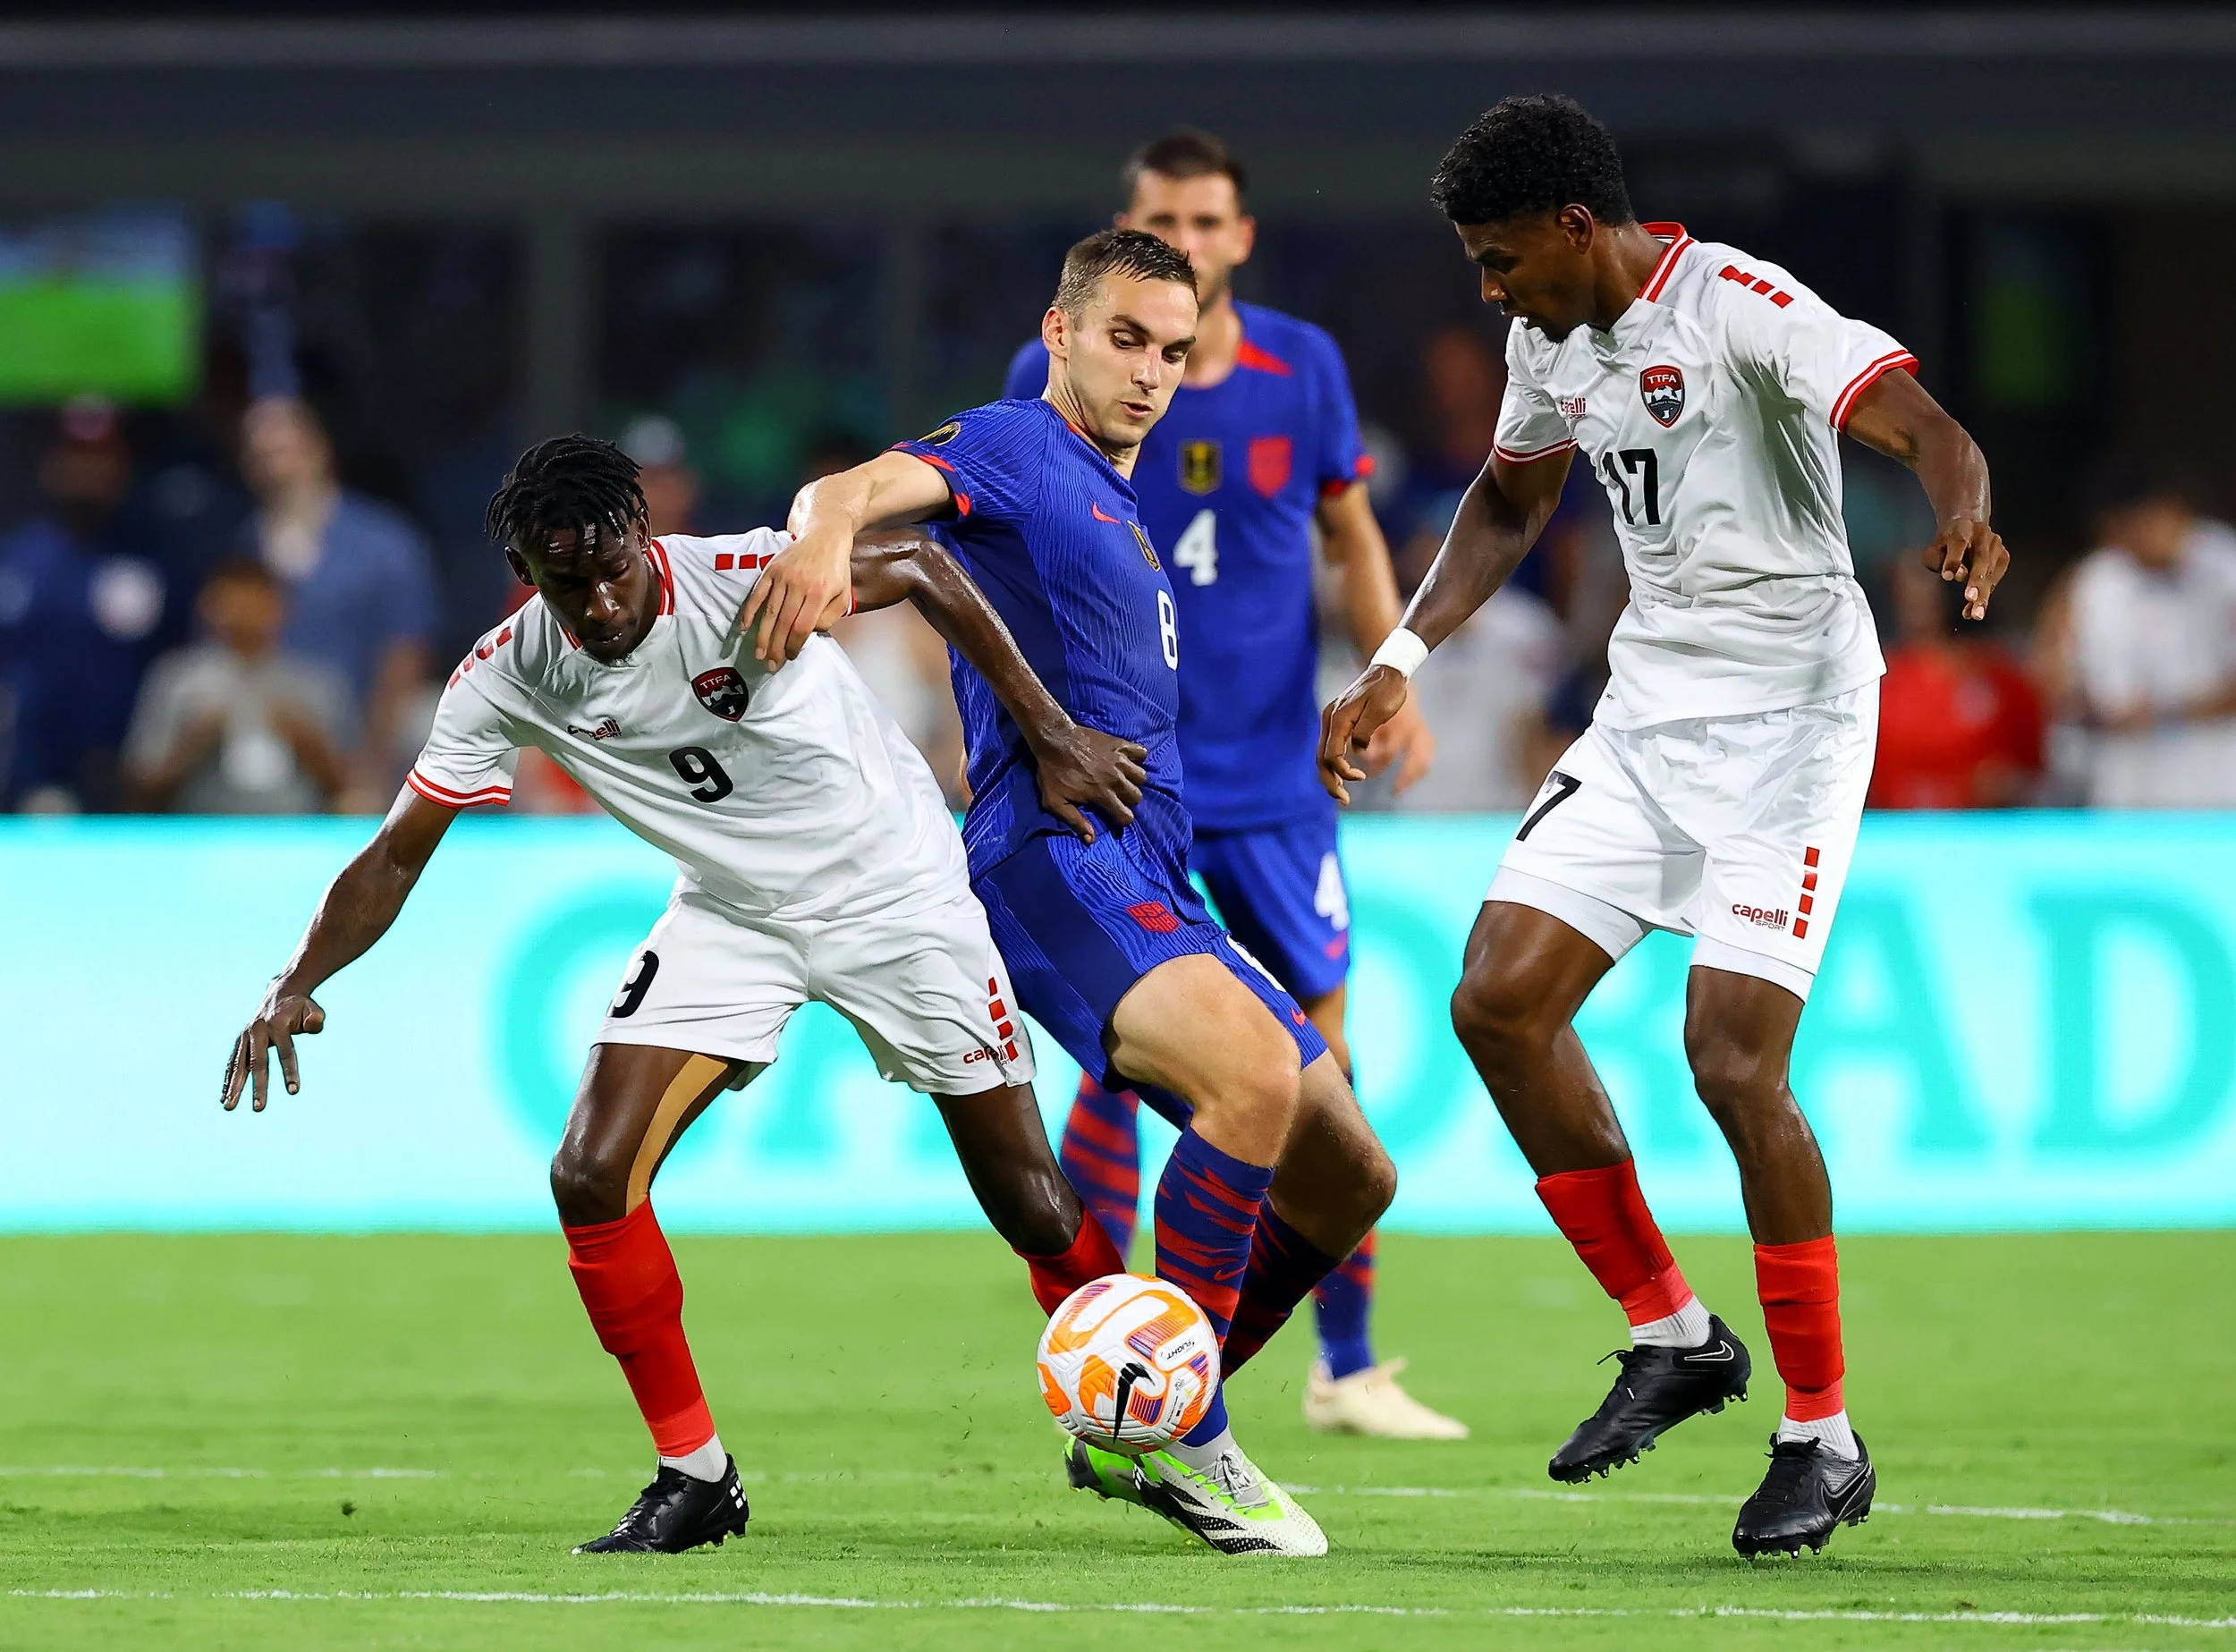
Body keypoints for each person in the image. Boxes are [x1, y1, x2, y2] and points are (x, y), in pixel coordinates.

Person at [220, 435, 1150, 1555]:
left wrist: (1050, 734)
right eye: (566, 583)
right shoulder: (508, 671)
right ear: (526, 573)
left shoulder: (743, 578)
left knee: (1031, 1202)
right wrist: (295, 979)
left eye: (613, 568)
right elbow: (394, 854)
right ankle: (695, 1473)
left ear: (642, 532)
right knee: (588, 1170)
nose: (601, 602)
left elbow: (918, 563)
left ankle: (1159, 1429)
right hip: (734, 913)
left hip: (895, 893)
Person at [1322, 95, 2011, 1557]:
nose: (1489, 292)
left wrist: (1961, 512)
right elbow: (1508, 503)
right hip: (1647, 720)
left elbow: (1925, 426)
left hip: (1794, 726)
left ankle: (1821, 1433)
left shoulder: (1745, 306)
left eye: (1501, 259)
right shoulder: (1550, 339)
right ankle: (1674, 1330)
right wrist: (1398, 659)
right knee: (1498, 1001)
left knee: (1732, 1059)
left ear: (1577, 226)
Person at [751, 229, 1397, 1557]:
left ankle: (1137, 1412)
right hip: (1055, 859)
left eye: (1173, 350)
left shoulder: (1119, 498)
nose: (1151, 372)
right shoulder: (1015, 445)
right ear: (1060, 333)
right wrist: (820, 537)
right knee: (1252, 1084)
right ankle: (1191, 1441)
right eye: (1125, 340)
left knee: (1350, 1172)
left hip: (1154, 871)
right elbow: (848, 488)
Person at [998, 131, 1454, 1439]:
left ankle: (1344, 1365)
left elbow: (1348, 532)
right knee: (1123, 1059)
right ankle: (1104, 1343)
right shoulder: (1057, 376)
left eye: (1206, 222)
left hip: (1271, 774)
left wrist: (1391, 674)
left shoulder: (1301, 368)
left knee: (1325, 1063)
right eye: (1161, 220)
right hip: (1126, 779)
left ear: (1242, 236)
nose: (1185, 242)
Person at [239, 395, 440, 808]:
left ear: (318, 449)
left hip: (365, 726)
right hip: (272, 730)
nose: (275, 466)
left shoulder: (383, 542)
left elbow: (405, 654)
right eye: (260, 455)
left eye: (285, 450)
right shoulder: (241, 546)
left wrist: (372, 764)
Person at [0, 400, 193, 812]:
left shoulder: (156, 561)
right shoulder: (15, 560)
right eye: (76, 456)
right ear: (50, 465)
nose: (88, 471)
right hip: (26, 776)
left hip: (129, 782)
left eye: (102, 458)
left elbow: (179, 665)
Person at [2062, 459, 2236, 807]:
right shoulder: (2100, 578)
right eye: (2116, 533)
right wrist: (2086, 705)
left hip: (2216, 782)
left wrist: (2165, 710)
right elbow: (2062, 674)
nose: (2128, 543)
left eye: (2134, 527)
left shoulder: (2226, 566)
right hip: (2128, 786)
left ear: (2169, 510)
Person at [122, 557, 351, 813]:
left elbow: (355, 788)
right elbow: (139, 783)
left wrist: (311, 746)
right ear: (208, 605)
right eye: (234, 603)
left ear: (282, 606)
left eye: (256, 602)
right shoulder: (176, 680)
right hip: (200, 829)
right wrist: (191, 745)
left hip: (298, 829)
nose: (245, 614)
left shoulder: (316, 683)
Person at [1868, 553, 2044, 809]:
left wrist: (2009, 783)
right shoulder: (1880, 679)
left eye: (1926, 583)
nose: (1916, 597)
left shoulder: (2002, 679)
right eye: (1906, 587)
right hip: (1895, 826)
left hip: (1982, 825)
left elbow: (2035, 770)